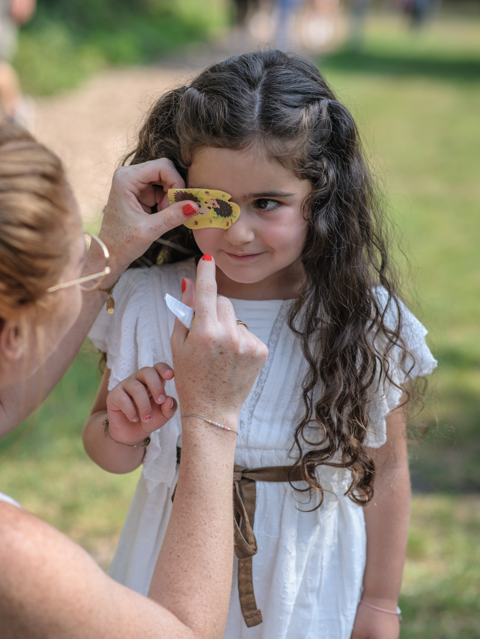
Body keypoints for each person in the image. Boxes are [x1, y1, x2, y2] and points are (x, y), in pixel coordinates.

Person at [84, 50, 437, 639]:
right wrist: (124, 429)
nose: (237, 232)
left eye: (267, 204)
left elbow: (389, 470)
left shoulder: (362, 320)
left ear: (321, 196)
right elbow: (109, 450)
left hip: (309, 581)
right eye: (212, 205)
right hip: (170, 563)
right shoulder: (148, 300)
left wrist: (380, 602)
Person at [0, 122, 268, 638]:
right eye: (75, 257)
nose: (91, 255)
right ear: (14, 335)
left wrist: (110, 249)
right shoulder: (18, 560)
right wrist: (210, 413)